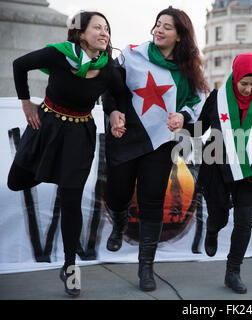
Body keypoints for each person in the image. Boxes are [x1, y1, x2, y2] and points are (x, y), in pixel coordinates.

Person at [7, 11, 127, 297]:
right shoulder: (57, 55)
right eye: (97, 27)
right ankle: (50, 172)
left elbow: (121, 95)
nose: (104, 33)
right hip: (45, 126)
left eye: (107, 29)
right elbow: (19, 64)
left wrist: (115, 114)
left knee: (71, 200)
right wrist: (26, 103)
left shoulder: (108, 68)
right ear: (80, 33)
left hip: (79, 136)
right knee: (15, 181)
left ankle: (70, 267)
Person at [102, 7, 208, 292]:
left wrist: (182, 117)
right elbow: (110, 88)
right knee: (117, 192)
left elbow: (197, 101)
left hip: (160, 142)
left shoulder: (189, 67)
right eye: (157, 25)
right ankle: (119, 219)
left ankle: (145, 267)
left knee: (152, 200)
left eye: (167, 27)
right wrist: (112, 112)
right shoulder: (132, 54)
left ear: (180, 35)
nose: (159, 30)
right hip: (125, 134)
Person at [174, 52, 252, 294]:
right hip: (217, 166)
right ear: (236, 77)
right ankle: (212, 229)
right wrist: (182, 125)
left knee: (244, 222)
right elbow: (200, 128)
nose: (249, 89)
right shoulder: (218, 98)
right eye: (244, 84)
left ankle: (233, 271)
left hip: (249, 168)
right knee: (219, 215)